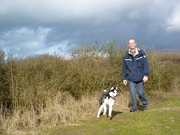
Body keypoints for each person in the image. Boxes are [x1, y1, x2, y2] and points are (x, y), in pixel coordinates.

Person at [122, 38, 149, 112]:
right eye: (130, 43)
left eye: (133, 43)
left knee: (140, 93)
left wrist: (146, 75)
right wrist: (124, 78)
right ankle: (134, 107)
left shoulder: (142, 54)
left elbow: (145, 65)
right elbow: (125, 68)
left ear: (135, 44)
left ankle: (145, 104)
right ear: (128, 45)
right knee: (132, 92)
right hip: (131, 78)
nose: (132, 44)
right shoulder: (126, 56)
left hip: (140, 78)